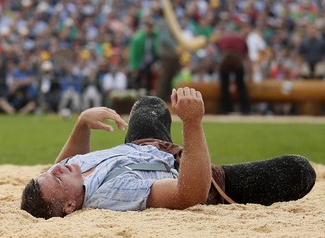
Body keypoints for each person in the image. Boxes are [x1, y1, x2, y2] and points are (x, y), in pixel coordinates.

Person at [20, 88, 316, 218]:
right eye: (56, 180)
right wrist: (192, 123)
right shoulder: (115, 193)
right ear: (71, 206)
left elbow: (63, 163)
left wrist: (82, 123)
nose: (57, 169)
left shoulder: (69, 174)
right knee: (298, 171)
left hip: (143, 148)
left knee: (149, 104)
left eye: (49, 173)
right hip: (187, 172)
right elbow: (189, 193)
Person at [216, 23, 251, 115]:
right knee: (241, 86)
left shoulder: (223, 38)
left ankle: (225, 109)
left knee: (224, 87)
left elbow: (220, 51)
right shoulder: (241, 39)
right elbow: (246, 56)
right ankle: (245, 110)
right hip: (237, 62)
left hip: (225, 62)